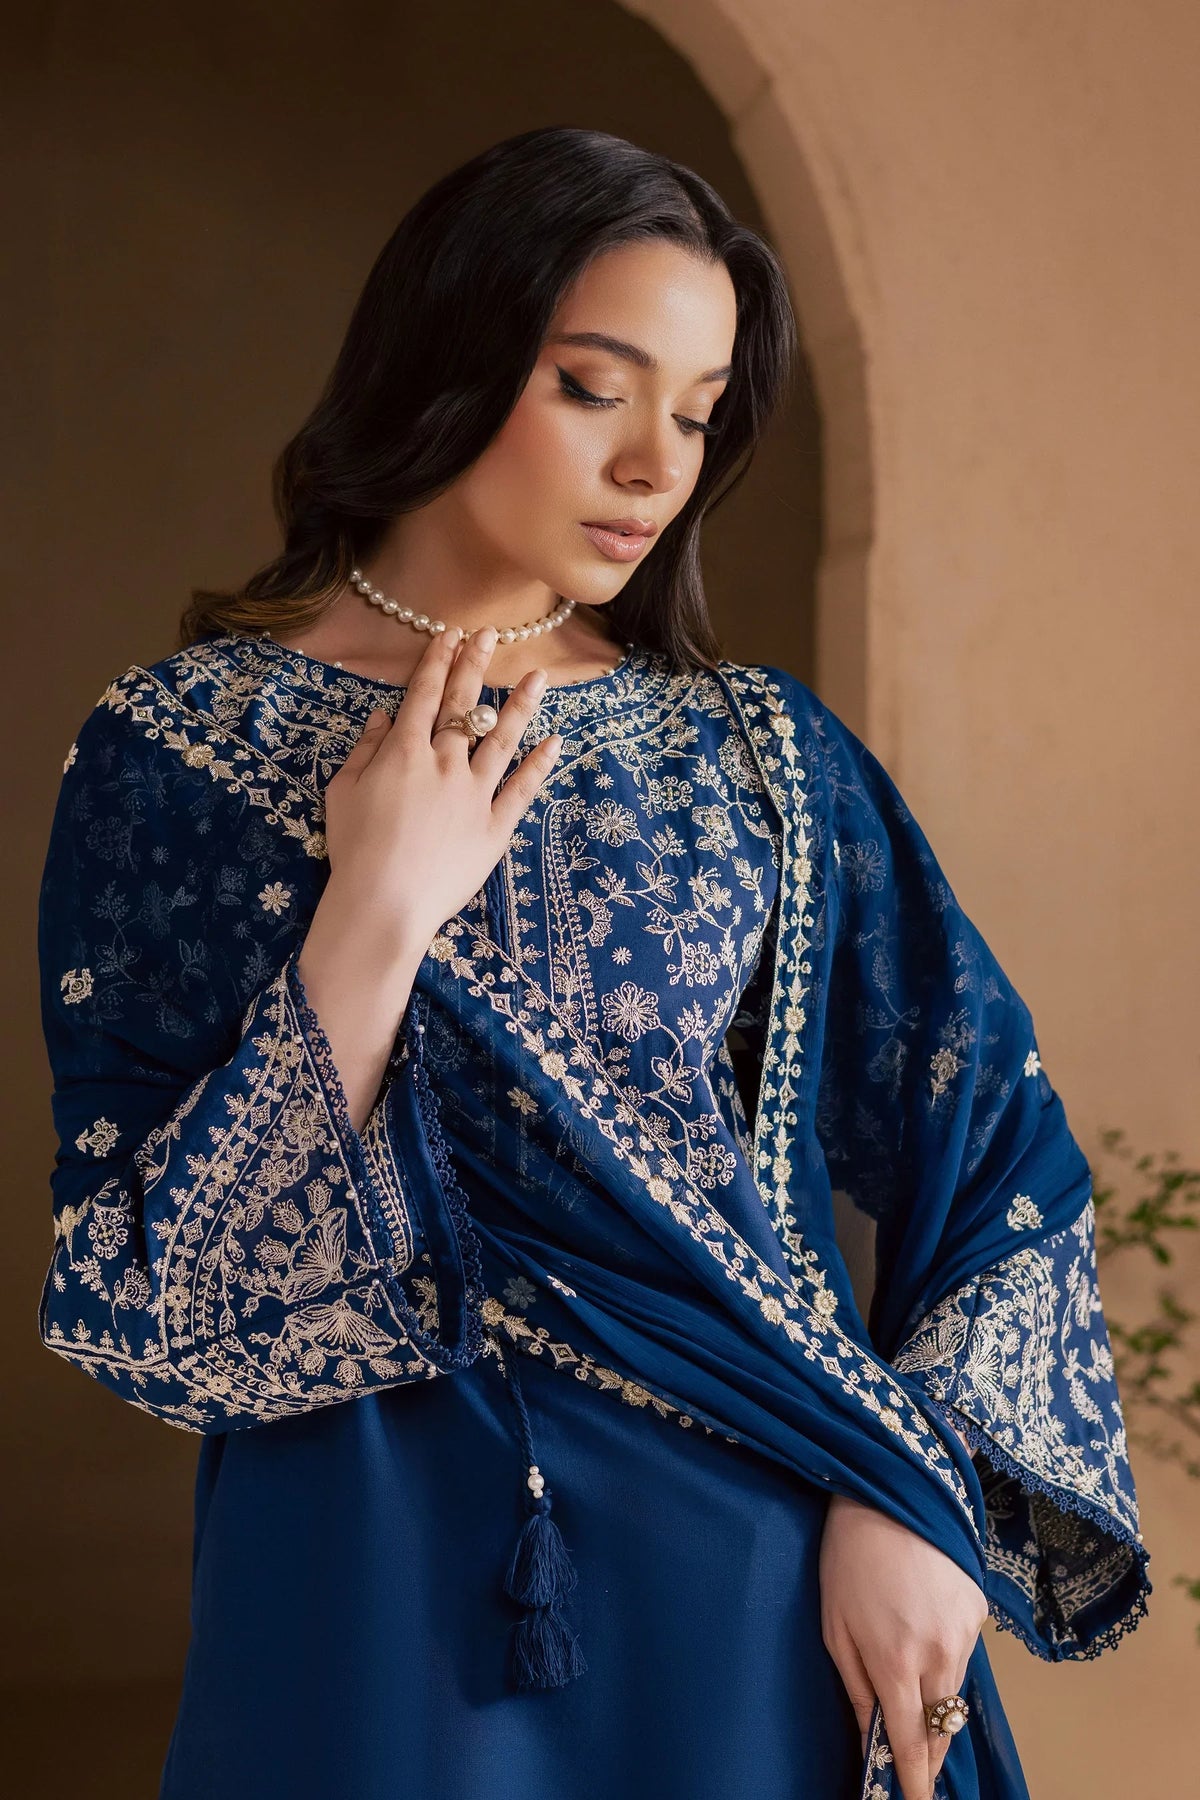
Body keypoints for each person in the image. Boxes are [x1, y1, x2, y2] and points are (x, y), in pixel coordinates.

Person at [37, 127, 1147, 1800]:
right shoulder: (179, 753)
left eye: (697, 415)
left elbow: (998, 1150)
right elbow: (148, 1309)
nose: (653, 467)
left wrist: (915, 1502)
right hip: (367, 1582)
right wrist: (375, 912)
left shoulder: (755, 757)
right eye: (593, 389)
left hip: (765, 1577)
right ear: (450, 353)